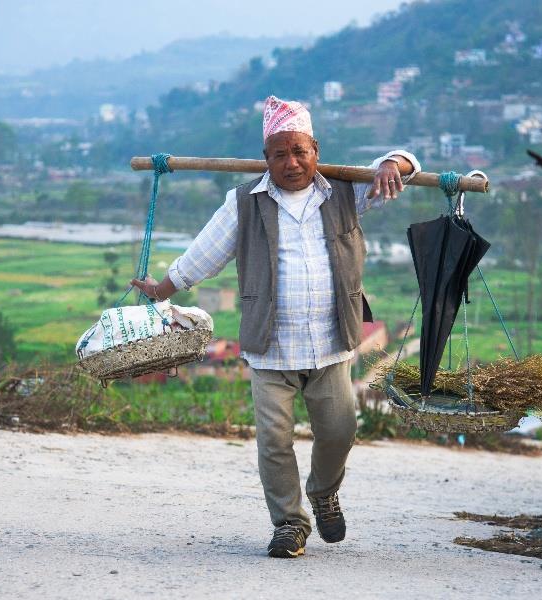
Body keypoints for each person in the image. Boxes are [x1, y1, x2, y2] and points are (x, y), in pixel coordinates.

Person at [132, 96, 420, 558]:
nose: (291, 162)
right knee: (274, 440)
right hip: (271, 347)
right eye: (280, 153)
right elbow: (205, 252)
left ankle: (324, 493)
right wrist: (163, 289)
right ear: (266, 158)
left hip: (331, 345)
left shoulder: (345, 191)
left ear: (316, 150)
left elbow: (409, 160)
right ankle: (290, 522)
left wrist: (392, 162)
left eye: (299, 151)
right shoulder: (244, 203)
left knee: (340, 430)